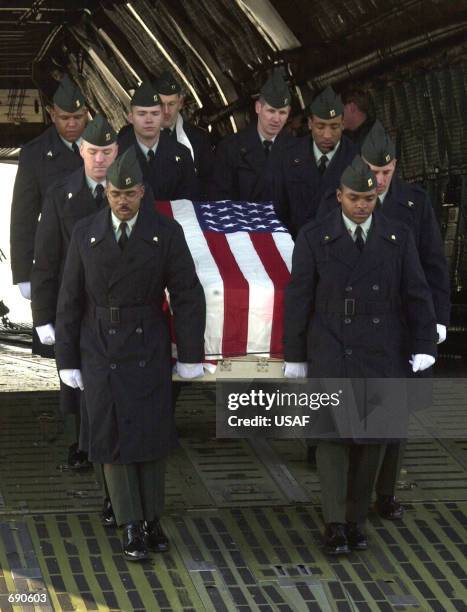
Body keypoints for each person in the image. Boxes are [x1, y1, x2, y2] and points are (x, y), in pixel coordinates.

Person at [55, 148, 206, 561]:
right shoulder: (86, 234)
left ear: (143, 192)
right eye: (117, 194)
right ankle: (130, 524)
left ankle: (152, 517)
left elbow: (188, 294)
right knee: (112, 435)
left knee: (151, 434)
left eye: (132, 194)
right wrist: (67, 361)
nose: (124, 201)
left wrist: (190, 353)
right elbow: (69, 301)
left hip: (147, 343)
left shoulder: (165, 234)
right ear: (106, 192)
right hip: (100, 345)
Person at [283, 156, 437, 554]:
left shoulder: (397, 237)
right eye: (355, 198)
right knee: (333, 441)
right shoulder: (315, 237)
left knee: (372, 441)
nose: (363, 205)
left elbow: (416, 294)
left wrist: (424, 345)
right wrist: (296, 355)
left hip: (381, 347)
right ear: (339, 197)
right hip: (332, 345)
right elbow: (299, 299)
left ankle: (354, 520)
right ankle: (334, 524)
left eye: (369, 198)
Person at [317, 121, 451, 519]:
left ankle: (386, 492)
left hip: (403, 320)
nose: (378, 181)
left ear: (395, 169)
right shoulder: (338, 198)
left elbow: (433, 264)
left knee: (395, 409)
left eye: (386, 173)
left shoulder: (415, 202)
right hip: (353, 323)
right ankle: (347, 496)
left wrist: (436, 321)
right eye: (373, 172)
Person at [31, 114, 119, 514]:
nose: (100, 160)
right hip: (75, 309)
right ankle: (86, 452)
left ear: (117, 153)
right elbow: (46, 260)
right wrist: (43, 317)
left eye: (107, 152)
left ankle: (107, 475)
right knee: (80, 392)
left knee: (108, 397)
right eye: (93, 151)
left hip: (114, 309)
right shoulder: (60, 193)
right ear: (80, 151)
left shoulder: (130, 193)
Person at [10, 75, 88, 302]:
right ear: (52, 115)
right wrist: (23, 273)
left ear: (86, 114)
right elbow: (23, 218)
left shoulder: (105, 146)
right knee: (53, 331)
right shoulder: (35, 155)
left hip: (98, 257)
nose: (72, 124)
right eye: (65, 118)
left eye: (77, 117)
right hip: (55, 260)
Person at [276, 85, 358, 237]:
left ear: (343, 124)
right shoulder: (288, 157)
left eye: (334, 127)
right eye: (320, 126)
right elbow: (279, 209)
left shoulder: (357, 159)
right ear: (309, 124)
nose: (327, 135)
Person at [210, 68, 296, 203]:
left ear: (289, 113)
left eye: (282, 113)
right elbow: (220, 201)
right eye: (271, 111)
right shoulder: (230, 148)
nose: (276, 119)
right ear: (258, 108)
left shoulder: (298, 150)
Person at [117, 81, 197, 200]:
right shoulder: (114, 155)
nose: (149, 120)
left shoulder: (182, 154)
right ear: (131, 118)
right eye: (142, 114)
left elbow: (189, 203)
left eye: (155, 113)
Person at [157, 70, 214, 199]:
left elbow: (209, 184)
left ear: (180, 103)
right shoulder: (136, 137)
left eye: (171, 104)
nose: (166, 111)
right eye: (161, 104)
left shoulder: (198, 138)